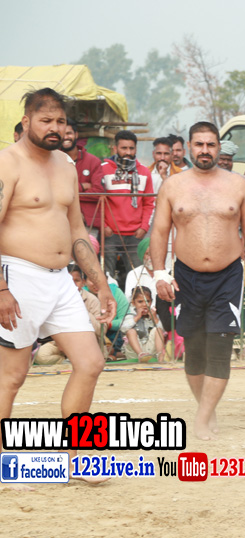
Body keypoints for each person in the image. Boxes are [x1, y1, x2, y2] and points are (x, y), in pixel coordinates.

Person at [0, 89, 116, 482]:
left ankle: (77, 457)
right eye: (46, 120)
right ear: (27, 121)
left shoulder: (66, 165)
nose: (55, 128)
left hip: (61, 278)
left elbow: (77, 229)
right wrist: (1, 290)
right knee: (11, 377)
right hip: (17, 276)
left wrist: (100, 283)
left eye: (60, 121)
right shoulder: (7, 163)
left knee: (91, 363)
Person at [151, 121, 245, 440]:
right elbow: (160, 232)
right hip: (186, 277)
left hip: (228, 276)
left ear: (219, 147)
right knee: (194, 349)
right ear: (189, 147)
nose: (205, 150)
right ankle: (207, 408)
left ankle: (202, 417)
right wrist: (160, 274)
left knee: (220, 346)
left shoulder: (238, 185)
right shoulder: (172, 186)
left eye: (210, 144)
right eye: (199, 144)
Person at [93, 130, 155, 285]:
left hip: (135, 234)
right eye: (124, 148)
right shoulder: (103, 169)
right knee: (106, 275)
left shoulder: (144, 172)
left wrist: (144, 227)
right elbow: (97, 201)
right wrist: (103, 225)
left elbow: (149, 203)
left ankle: (136, 301)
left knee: (137, 276)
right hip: (110, 233)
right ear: (115, 149)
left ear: (136, 149)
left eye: (131, 148)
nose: (128, 152)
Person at [60, 123, 102, 227]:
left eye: (69, 133)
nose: (65, 137)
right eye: (62, 134)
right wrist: (82, 186)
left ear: (76, 135)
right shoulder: (52, 161)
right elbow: (52, 191)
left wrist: (68, 194)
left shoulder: (93, 161)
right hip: (60, 220)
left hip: (88, 222)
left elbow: (98, 192)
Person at [121, 286, 166, 362]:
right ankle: (141, 355)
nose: (144, 304)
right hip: (134, 352)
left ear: (151, 302)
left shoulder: (154, 315)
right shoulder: (130, 316)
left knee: (158, 330)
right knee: (130, 331)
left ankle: (160, 356)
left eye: (147, 301)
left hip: (150, 350)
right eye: (140, 302)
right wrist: (137, 317)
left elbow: (163, 330)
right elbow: (123, 328)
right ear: (133, 303)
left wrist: (155, 318)